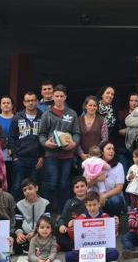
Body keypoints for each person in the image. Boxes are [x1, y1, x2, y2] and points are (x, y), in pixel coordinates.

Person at [39, 85, 80, 213]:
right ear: (53, 97)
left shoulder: (72, 113)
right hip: (51, 153)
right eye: (57, 96)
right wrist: (46, 143)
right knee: (51, 183)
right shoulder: (46, 114)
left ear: (65, 97)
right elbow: (41, 134)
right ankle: (47, 213)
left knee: (64, 184)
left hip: (67, 155)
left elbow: (77, 132)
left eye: (62, 96)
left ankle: (64, 213)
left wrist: (74, 143)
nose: (59, 98)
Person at [65, 191, 119, 262]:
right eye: (89, 205)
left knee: (114, 253)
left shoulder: (106, 217)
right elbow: (75, 239)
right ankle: (97, 259)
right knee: (68, 256)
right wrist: (70, 228)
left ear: (99, 204)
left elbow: (111, 236)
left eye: (94, 204)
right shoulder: (80, 218)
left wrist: (115, 225)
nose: (92, 208)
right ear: (86, 205)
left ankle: (90, 259)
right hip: (85, 250)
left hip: (101, 249)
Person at [8, 91, 44, 200]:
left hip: (36, 159)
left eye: (33, 100)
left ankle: (33, 212)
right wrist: (14, 157)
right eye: (28, 101)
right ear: (24, 103)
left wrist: (42, 157)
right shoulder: (17, 117)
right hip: (20, 158)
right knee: (16, 186)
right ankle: (14, 213)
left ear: (37, 102)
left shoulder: (43, 117)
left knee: (35, 187)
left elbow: (45, 137)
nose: (31, 103)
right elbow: (12, 138)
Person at [86, 141, 125, 217]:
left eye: (113, 149)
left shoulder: (118, 166)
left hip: (110, 198)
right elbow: (86, 184)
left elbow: (119, 188)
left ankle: (113, 220)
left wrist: (104, 196)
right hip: (95, 199)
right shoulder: (92, 164)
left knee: (116, 200)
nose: (111, 151)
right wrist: (97, 180)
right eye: (109, 149)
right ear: (102, 152)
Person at [15, 178, 50, 254]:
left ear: (36, 188)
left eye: (30, 188)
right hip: (26, 234)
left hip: (41, 232)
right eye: (25, 190)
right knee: (13, 239)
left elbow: (48, 223)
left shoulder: (45, 203)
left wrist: (36, 232)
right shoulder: (19, 205)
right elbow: (18, 224)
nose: (27, 191)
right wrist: (19, 234)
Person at [56, 176, 88, 251]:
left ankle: (73, 247)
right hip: (72, 233)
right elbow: (62, 218)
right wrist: (61, 225)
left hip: (89, 233)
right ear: (74, 190)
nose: (80, 188)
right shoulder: (69, 202)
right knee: (54, 230)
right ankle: (73, 246)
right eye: (77, 187)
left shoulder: (92, 200)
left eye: (82, 186)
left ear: (87, 187)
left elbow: (100, 216)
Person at [0, 96, 15, 188]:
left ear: (12, 105)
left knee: (10, 177)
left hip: (13, 152)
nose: (6, 105)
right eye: (3, 103)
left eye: (8, 103)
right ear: (0, 105)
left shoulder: (17, 118)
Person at [77, 96, 108, 161]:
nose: (92, 107)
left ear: (97, 107)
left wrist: (94, 152)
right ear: (85, 106)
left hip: (97, 157)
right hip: (82, 157)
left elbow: (105, 139)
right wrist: (81, 154)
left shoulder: (102, 120)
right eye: (90, 105)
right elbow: (76, 139)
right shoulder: (78, 120)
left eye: (94, 106)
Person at [117, 92, 138, 172]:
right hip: (123, 149)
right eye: (131, 100)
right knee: (125, 172)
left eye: (136, 101)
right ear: (128, 102)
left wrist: (128, 130)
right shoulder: (122, 113)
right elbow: (118, 131)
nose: (134, 103)